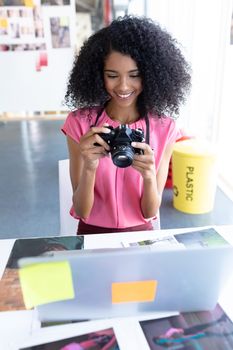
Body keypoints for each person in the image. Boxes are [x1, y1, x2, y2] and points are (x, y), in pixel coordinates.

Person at [62, 15, 191, 234]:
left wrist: (149, 176)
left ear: (151, 75)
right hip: (92, 233)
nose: (123, 86)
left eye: (135, 75)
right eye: (112, 75)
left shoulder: (165, 128)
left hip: (140, 234)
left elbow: (150, 213)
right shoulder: (80, 124)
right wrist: (90, 167)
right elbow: (83, 211)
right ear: (98, 75)